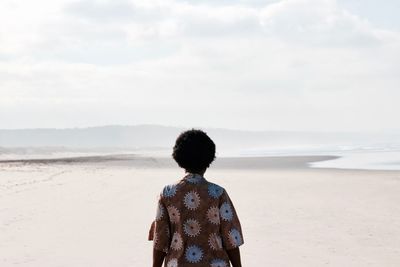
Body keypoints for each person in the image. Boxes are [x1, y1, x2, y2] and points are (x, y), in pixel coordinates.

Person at [148, 129, 244, 267]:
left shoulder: (168, 194)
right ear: (209, 159)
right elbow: (231, 240)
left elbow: (160, 240)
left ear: (179, 158)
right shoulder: (218, 193)